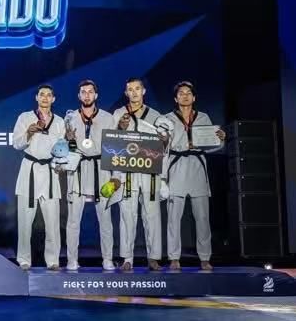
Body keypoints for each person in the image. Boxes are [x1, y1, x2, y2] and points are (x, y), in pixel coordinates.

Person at [163, 81, 225, 271]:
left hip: (197, 167)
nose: (185, 96)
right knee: (173, 218)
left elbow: (211, 146)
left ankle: (205, 258)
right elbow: (163, 148)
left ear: (194, 97)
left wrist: (220, 140)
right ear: (176, 98)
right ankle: (174, 258)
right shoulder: (167, 119)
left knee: (203, 217)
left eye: (188, 93)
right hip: (177, 167)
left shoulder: (203, 117)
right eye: (181, 93)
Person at [110, 77, 167, 271]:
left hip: (150, 170)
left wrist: (164, 139)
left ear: (143, 91)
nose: (134, 92)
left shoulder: (156, 115)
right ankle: (127, 258)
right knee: (127, 214)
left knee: (152, 214)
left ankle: (153, 257)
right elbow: (111, 143)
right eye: (130, 89)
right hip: (128, 170)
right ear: (126, 93)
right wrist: (120, 127)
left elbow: (164, 146)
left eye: (137, 89)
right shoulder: (119, 113)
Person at [63, 80, 116, 271]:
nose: (87, 95)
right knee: (73, 221)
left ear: (96, 95)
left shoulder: (108, 118)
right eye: (83, 92)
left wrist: (115, 176)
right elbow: (64, 148)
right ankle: (71, 260)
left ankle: (108, 259)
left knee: (106, 220)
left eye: (90, 92)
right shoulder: (69, 118)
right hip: (78, 170)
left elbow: (115, 148)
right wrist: (67, 139)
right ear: (79, 96)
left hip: (101, 169)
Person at [12, 84, 67, 270]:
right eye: (41, 94)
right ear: (36, 97)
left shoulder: (59, 122)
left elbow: (62, 149)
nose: (45, 98)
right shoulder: (25, 117)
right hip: (30, 170)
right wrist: (29, 132)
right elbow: (16, 144)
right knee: (25, 220)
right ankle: (23, 259)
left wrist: (60, 165)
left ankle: (53, 260)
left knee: (52, 221)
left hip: (50, 171)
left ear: (53, 99)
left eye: (48, 95)